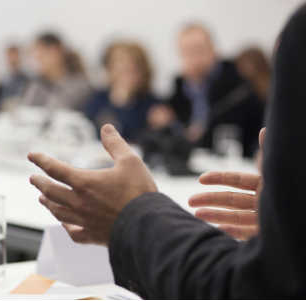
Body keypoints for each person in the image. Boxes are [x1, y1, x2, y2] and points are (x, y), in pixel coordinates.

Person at [27, 4, 306, 298]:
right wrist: (291, 223)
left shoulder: (236, 86)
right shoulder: (176, 88)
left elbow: (250, 287)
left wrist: (134, 214)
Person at [166, 23, 265, 157]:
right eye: (186, 52)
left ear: (213, 50)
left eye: (198, 50)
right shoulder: (179, 88)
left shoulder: (237, 83)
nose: (193, 58)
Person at [84, 41, 158, 142]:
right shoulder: (98, 99)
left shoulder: (153, 104)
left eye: (132, 70)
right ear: (110, 69)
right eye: (121, 68)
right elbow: (88, 130)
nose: (126, 74)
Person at [21, 32, 91, 111]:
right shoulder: (36, 86)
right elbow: (26, 111)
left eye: (41, 56)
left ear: (56, 52)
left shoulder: (79, 85)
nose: (36, 61)